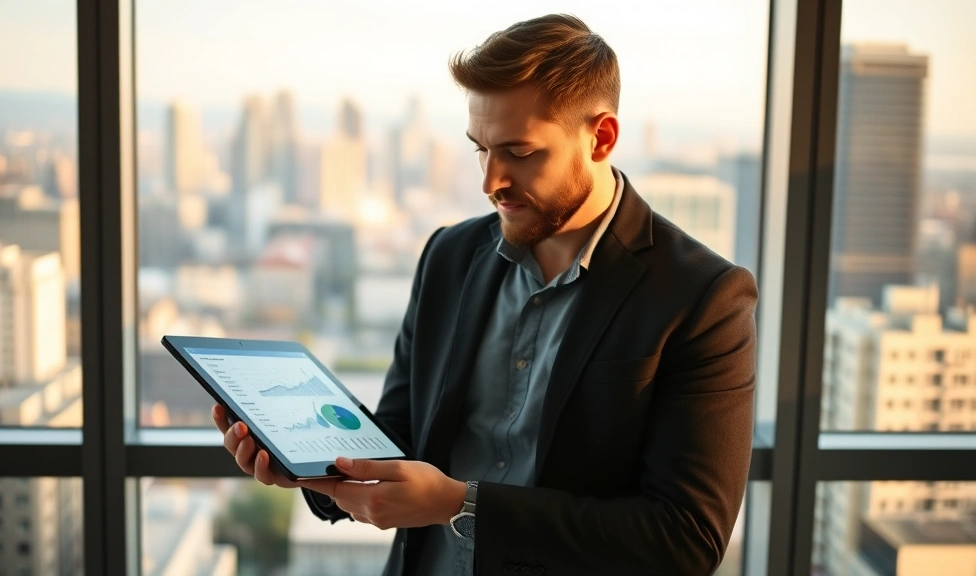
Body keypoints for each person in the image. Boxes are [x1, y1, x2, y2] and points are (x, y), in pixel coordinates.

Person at [213, 13, 756, 575]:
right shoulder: (449, 257)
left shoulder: (704, 298)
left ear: (602, 137)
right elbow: (400, 439)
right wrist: (311, 467)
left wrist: (459, 503)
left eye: (519, 152)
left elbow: (685, 540)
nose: (490, 181)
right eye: (481, 148)